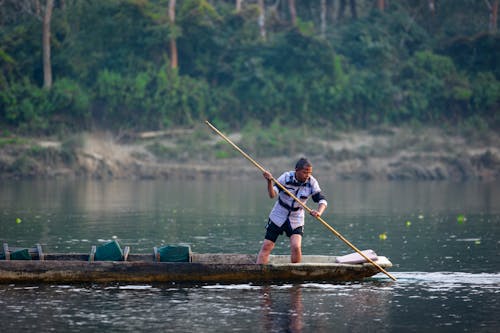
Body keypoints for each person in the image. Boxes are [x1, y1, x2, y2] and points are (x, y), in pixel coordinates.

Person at [257, 158, 327, 264]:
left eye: (309, 172)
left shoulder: (312, 182)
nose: (307, 175)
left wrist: (319, 212)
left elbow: (322, 200)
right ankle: (260, 272)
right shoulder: (285, 177)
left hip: (297, 216)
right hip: (279, 214)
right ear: (296, 170)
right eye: (304, 172)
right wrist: (269, 182)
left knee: (296, 246)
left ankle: (296, 274)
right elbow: (272, 195)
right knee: (267, 245)